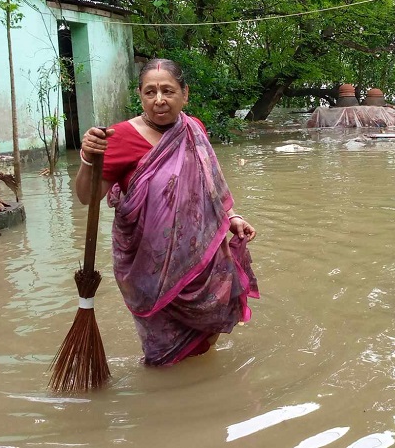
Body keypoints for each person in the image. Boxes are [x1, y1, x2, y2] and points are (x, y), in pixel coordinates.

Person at [74, 58, 259, 366]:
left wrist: (232, 217)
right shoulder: (118, 137)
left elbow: (207, 187)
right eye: (150, 92)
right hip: (150, 267)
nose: (159, 100)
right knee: (163, 358)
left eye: (168, 90)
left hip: (201, 261)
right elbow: (85, 197)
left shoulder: (194, 129)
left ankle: (202, 401)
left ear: (184, 94)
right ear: (141, 96)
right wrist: (87, 160)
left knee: (207, 334)